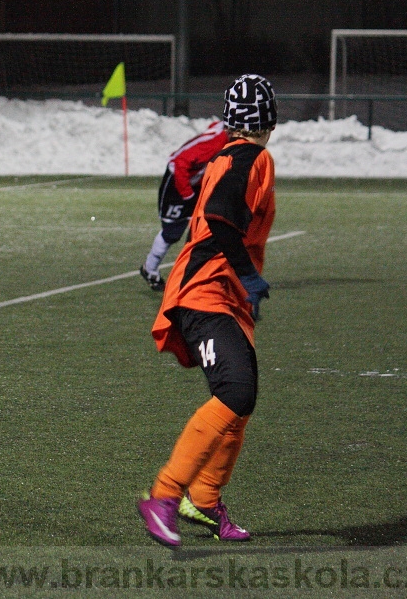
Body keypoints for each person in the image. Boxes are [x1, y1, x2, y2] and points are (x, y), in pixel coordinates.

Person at [137, 74, 278, 547]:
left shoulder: (230, 155)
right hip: (205, 292)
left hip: (222, 295)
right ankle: (164, 495)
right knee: (237, 391)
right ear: (270, 118)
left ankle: (204, 499)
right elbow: (219, 218)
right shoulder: (251, 157)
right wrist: (250, 276)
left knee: (241, 400)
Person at [140, 120, 230, 291]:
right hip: (178, 182)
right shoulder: (214, 144)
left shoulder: (225, 136)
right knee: (172, 231)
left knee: (209, 226)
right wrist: (187, 194)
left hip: (196, 182)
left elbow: (214, 125)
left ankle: (203, 274)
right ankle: (149, 268)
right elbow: (180, 162)